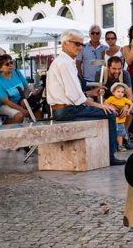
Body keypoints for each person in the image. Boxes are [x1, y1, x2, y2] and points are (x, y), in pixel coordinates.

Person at [46, 30, 123, 166]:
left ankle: (103, 152)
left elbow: (73, 93)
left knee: (107, 110)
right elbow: (75, 97)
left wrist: (91, 93)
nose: (80, 47)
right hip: (66, 111)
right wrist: (100, 105)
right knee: (110, 113)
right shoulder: (64, 63)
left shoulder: (65, 61)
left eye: (82, 44)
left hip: (65, 109)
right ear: (65, 44)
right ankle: (110, 156)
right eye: (76, 44)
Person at [0, 54, 31, 124]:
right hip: (5, 105)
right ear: (0, 68)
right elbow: (6, 101)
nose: (10, 65)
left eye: (11, 62)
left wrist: (24, 99)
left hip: (21, 101)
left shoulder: (17, 72)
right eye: (7, 64)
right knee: (19, 116)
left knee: (37, 111)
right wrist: (22, 110)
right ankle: (6, 129)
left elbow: (26, 87)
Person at [104, 83, 133, 151]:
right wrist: (109, 106)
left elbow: (131, 104)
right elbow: (105, 103)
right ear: (113, 92)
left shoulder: (124, 99)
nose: (120, 94)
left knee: (120, 134)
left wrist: (129, 110)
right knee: (113, 133)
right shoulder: (111, 98)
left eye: (122, 92)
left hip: (121, 121)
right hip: (113, 121)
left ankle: (120, 145)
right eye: (118, 91)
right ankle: (113, 146)